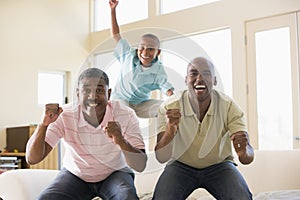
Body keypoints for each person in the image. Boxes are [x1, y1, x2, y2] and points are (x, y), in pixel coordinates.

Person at [26, 68, 147, 200]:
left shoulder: (125, 114)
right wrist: (43, 125)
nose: (92, 96)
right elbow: (32, 159)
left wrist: (121, 141)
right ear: (78, 94)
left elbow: (140, 165)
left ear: (109, 93)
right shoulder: (64, 114)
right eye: (86, 90)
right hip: (75, 174)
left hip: (115, 173)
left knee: (127, 197)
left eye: (99, 90)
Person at [153, 57, 254, 200]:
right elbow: (161, 157)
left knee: (241, 197)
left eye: (206, 73)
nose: (199, 78)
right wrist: (170, 130)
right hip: (180, 165)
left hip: (219, 166)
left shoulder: (228, 106)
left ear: (214, 80)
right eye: (194, 73)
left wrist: (244, 151)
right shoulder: (170, 106)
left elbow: (247, 158)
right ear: (186, 79)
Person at [109, 0, 174, 118]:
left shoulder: (158, 70)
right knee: (125, 114)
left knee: (168, 108)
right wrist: (113, 10)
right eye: (142, 48)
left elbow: (166, 88)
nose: (145, 53)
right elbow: (116, 35)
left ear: (157, 52)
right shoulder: (127, 55)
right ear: (137, 48)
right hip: (121, 100)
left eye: (150, 49)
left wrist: (175, 98)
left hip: (141, 105)